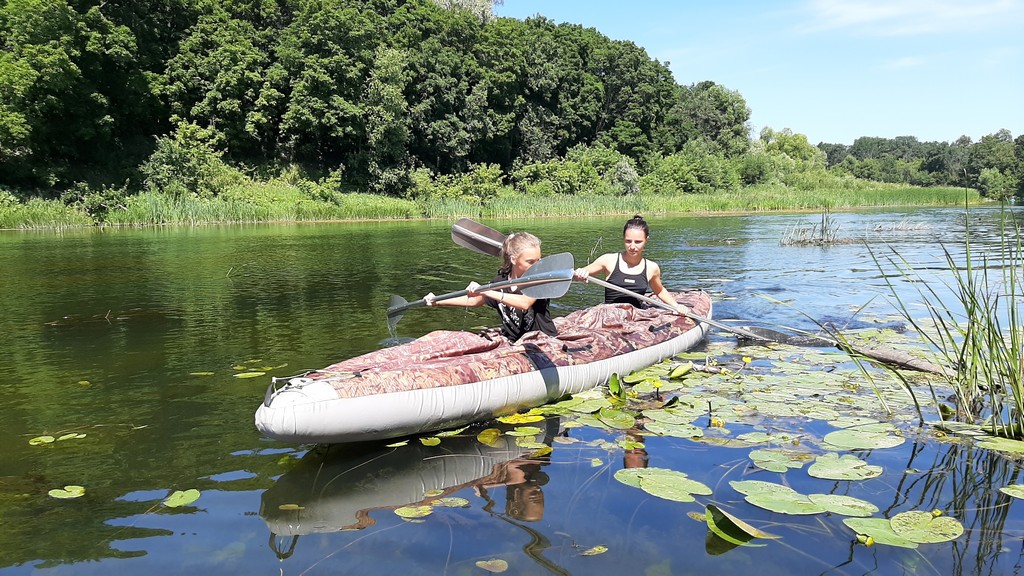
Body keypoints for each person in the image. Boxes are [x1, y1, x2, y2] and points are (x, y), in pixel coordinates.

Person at [424, 231, 557, 341]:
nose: (537, 266)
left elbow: (525, 303)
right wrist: (437, 301)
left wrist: (486, 290)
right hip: (514, 341)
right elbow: (475, 300)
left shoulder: (540, 279)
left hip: (542, 340)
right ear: (513, 259)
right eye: (530, 262)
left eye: (539, 260)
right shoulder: (501, 281)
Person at [573, 215, 690, 314]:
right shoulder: (608, 260)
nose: (632, 246)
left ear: (646, 240)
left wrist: (676, 306)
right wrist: (579, 273)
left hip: (635, 318)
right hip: (609, 315)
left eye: (638, 242)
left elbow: (659, 291)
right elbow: (577, 275)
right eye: (628, 241)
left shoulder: (651, 267)